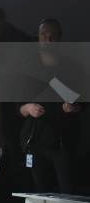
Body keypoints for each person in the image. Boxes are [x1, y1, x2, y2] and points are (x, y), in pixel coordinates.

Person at [18, 19, 80, 193]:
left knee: (67, 191)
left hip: (62, 141)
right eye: (44, 35)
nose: (48, 40)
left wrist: (74, 107)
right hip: (35, 139)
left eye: (52, 36)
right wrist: (28, 108)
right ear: (38, 38)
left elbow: (81, 101)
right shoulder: (27, 68)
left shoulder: (71, 67)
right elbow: (17, 107)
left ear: (59, 38)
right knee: (38, 191)